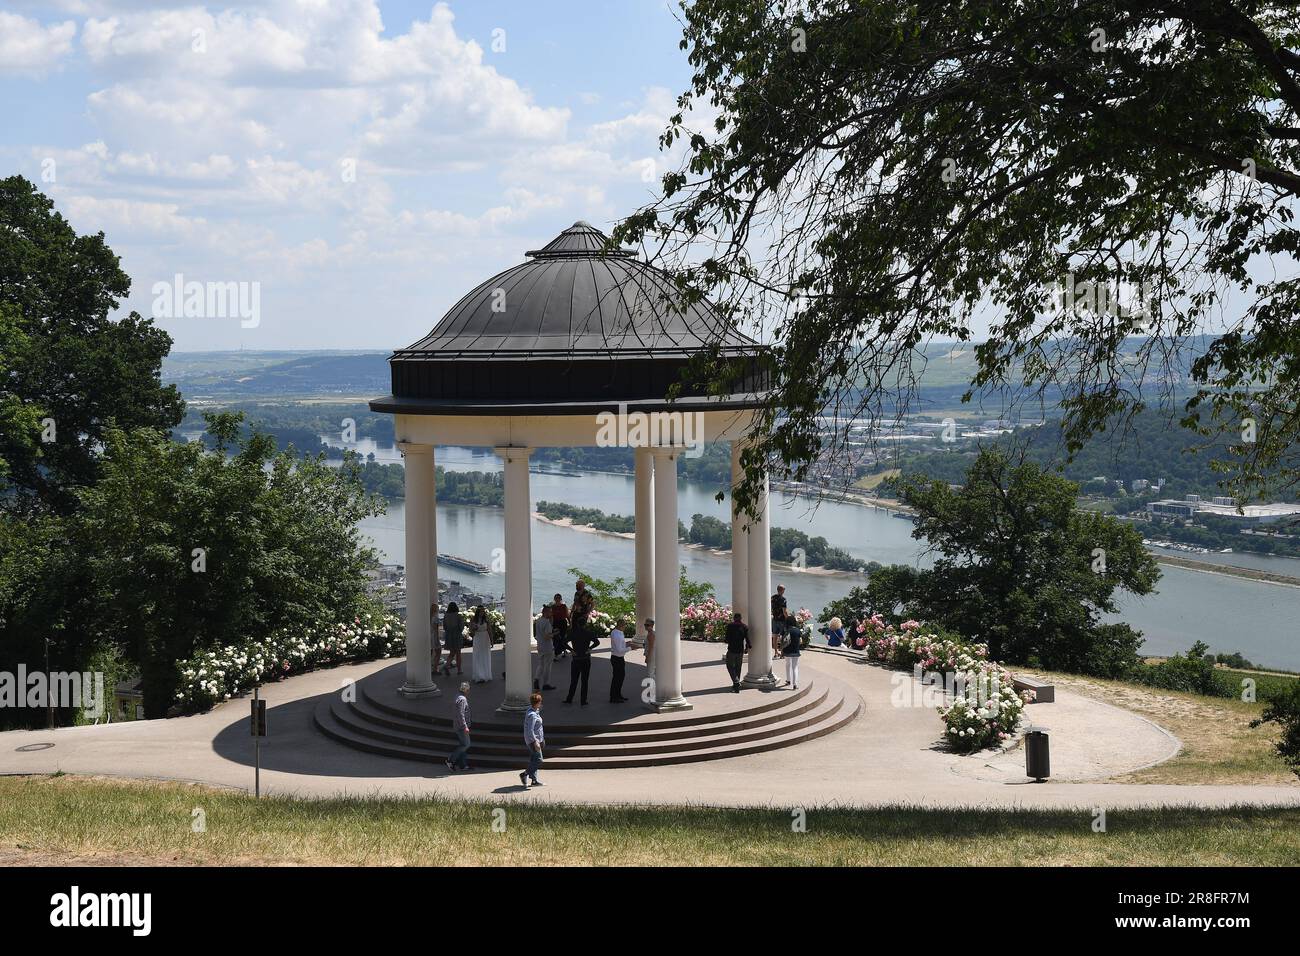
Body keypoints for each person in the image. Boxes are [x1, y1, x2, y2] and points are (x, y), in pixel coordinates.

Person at [563, 614, 600, 706]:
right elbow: (597, 642)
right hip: (585, 658)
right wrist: (590, 648)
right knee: (584, 680)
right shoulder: (588, 633)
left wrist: (571, 650)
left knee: (574, 680)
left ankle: (569, 698)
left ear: (578, 624)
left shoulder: (573, 632)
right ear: (585, 624)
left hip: (576, 658)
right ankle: (583, 700)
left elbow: (563, 642)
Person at [519, 691, 545, 788]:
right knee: (539, 760)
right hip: (533, 741)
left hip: (538, 739)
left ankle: (534, 781)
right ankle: (524, 774)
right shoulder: (532, 715)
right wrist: (535, 742)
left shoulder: (533, 711)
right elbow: (530, 730)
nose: (541, 703)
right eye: (540, 702)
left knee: (534, 759)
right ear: (537, 703)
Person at [447, 681, 472, 771]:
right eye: (468, 690)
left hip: (457, 726)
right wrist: (465, 726)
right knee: (466, 744)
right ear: (466, 690)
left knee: (462, 745)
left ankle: (463, 765)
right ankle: (450, 760)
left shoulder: (457, 696)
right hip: (461, 727)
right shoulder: (463, 699)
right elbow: (461, 714)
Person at [723, 612, 751, 693]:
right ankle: (736, 686)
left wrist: (726, 641)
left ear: (734, 618)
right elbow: (747, 638)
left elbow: (727, 638)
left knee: (729, 666)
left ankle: (736, 681)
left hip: (731, 650)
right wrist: (748, 647)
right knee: (738, 667)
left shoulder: (730, 626)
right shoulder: (745, 627)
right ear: (741, 618)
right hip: (740, 650)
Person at [533, 605, 556, 691]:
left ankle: (536, 678)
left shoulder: (538, 621)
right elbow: (547, 636)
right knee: (548, 666)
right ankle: (546, 683)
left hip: (540, 645)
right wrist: (554, 634)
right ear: (546, 612)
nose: (551, 613)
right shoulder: (546, 622)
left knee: (541, 664)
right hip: (548, 647)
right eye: (550, 612)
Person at [470, 606, 493, 683]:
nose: (482, 613)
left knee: (485, 655)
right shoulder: (473, 619)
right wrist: (474, 628)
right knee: (478, 656)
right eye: (481, 612)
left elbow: (489, 630)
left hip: (485, 638)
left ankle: (486, 674)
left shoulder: (486, 620)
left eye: (483, 612)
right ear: (478, 612)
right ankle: (479, 675)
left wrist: (492, 641)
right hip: (477, 638)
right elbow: (471, 632)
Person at [441, 602, 465, 676]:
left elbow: (444, 627)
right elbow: (461, 627)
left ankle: (447, 665)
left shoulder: (446, 616)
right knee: (458, 653)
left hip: (449, 636)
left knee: (452, 653)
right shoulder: (458, 616)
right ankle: (459, 669)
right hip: (457, 635)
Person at [608, 619, 629, 703]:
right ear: (621, 625)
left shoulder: (620, 632)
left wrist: (627, 644)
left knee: (620, 677)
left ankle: (618, 694)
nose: (625, 628)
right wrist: (631, 648)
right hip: (616, 658)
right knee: (617, 678)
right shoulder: (616, 634)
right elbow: (620, 650)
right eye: (624, 626)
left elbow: (621, 645)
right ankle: (613, 697)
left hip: (620, 658)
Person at [781, 613, 802, 690]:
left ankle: (788, 680)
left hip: (787, 650)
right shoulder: (797, 630)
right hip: (795, 651)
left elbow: (781, 640)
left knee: (787, 664)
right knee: (795, 667)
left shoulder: (785, 630)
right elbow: (800, 641)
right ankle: (795, 684)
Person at [770, 585, 788, 660]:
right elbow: (784, 611)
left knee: (775, 636)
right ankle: (782, 653)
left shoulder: (772, 597)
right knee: (783, 636)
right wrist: (788, 619)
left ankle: (776, 652)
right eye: (784, 589)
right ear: (782, 590)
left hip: (774, 619)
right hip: (782, 620)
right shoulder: (783, 599)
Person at [550, 593, 570, 657]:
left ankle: (563, 650)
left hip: (563, 623)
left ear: (561, 599)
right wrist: (551, 625)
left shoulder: (564, 606)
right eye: (556, 598)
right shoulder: (552, 607)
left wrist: (570, 622)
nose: (557, 599)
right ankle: (557, 652)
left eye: (558, 598)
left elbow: (567, 615)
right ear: (554, 599)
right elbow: (551, 617)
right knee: (556, 638)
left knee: (563, 637)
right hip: (555, 623)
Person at [429, 602, 442, 677]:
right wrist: (438, 638)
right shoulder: (435, 618)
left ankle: (429, 667)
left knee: (430, 653)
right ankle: (435, 668)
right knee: (438, 652)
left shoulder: (429, 617)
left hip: (429, 636)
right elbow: (436, 629)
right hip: (434, 636)